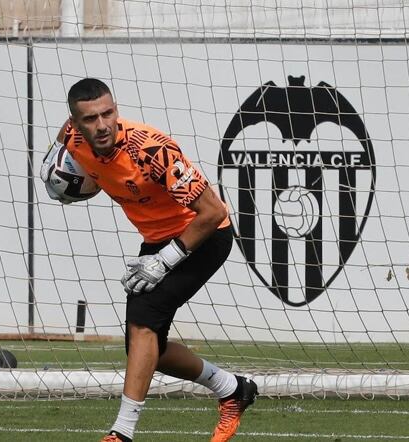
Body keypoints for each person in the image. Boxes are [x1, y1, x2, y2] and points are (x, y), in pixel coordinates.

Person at [40, 78, 258, 442]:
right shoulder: (71, 137)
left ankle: (121, 433)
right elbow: (56, 163)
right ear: (76, 124)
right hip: (157, 241)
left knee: (142, 325)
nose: (103, 125)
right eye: (91, 119)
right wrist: (58, 179)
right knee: (144, 351)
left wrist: (164, 261)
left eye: (109, 113)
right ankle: (233, 388)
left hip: (203, 236)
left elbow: (212, 211)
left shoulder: (151, 150)